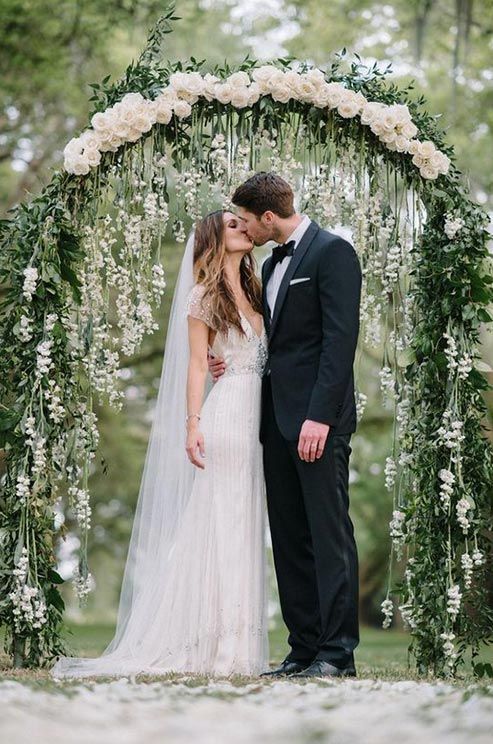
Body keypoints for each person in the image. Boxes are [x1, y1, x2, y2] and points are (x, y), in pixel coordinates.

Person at [51, 210, 269, 679]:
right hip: (227, 414)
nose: (245, 229)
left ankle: (239, 643)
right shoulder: (203, 297)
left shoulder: (256, 288)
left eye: (244, 223)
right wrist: (193, 425)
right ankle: (217, 645)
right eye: (233, 225)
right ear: (214, 240)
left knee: (245, 522)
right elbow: (196, 364)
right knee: (220, 523)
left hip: (259, 418)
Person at [209, 173, 362, 678]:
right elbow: (270, 341)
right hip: (273, 423)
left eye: (248, 221)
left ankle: (337, 654)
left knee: (328, 533)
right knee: (290, 536)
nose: (244, 229)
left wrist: (319, 417)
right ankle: (303, 650)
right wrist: (227, 362)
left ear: (268, 217)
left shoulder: (333, 253)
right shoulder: (270, 263)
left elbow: (338, 345)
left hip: (318, 422)